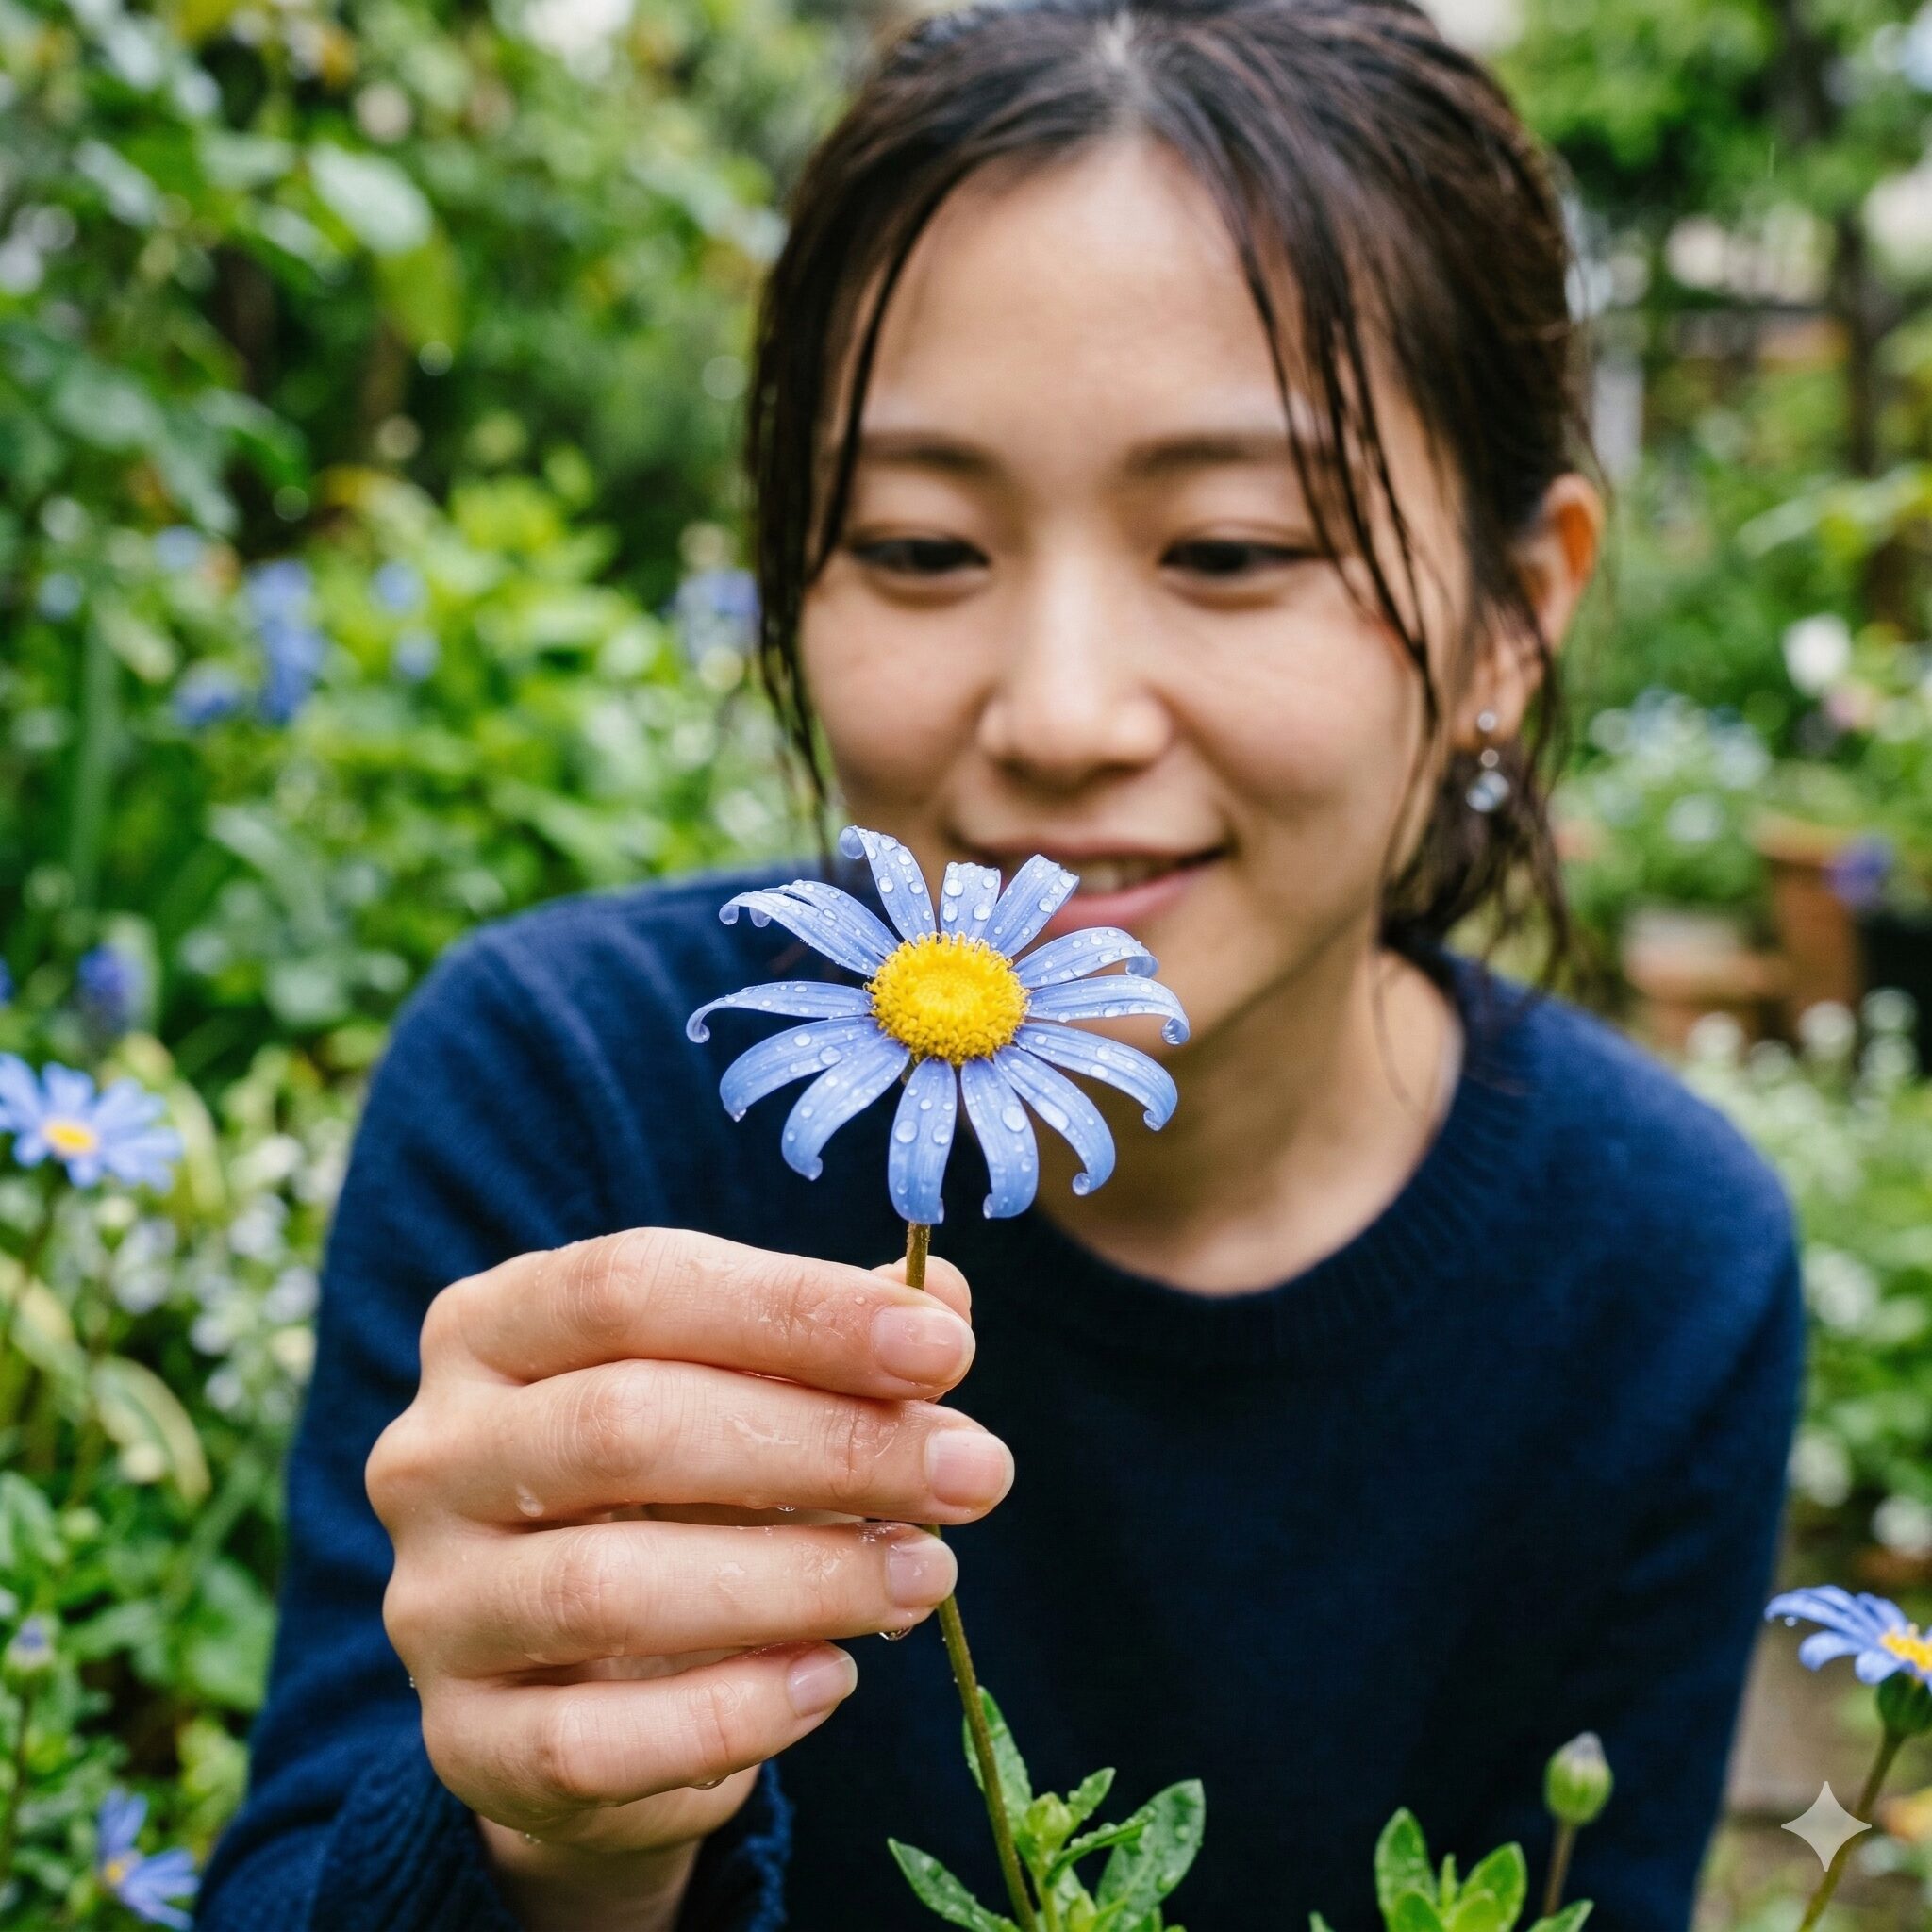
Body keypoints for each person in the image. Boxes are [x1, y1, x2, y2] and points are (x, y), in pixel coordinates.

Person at [198, 2, 1807, 1926]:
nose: (1053, 716)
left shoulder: (1654, 1264)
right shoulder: (568, 1100)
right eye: (918, 543)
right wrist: (551, 1841)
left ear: (1508, 620)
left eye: (1225, 546)